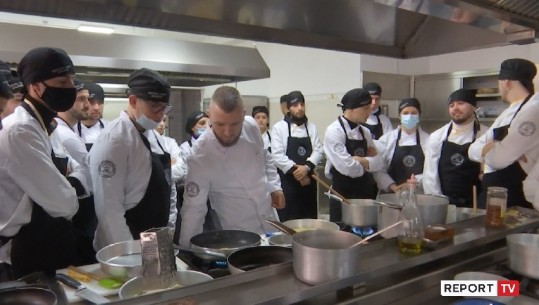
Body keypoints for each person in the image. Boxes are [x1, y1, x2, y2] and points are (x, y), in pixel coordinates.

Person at [0, 47, 91, 278]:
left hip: (50, 240)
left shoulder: (48, 125)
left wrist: (66, 182)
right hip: (23, 251)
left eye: (71, 80)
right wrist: (69, 184)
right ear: (35, 87)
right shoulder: (20, 130)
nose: (69, 88)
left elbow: (83, 172)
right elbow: (64, 204)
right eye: (62, 82)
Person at [179, 86, 284, 247]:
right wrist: (187, 253)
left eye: (235, 124)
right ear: (209, 115)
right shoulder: (200, 155)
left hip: (271, 220)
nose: (227, 132)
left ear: (243, 113)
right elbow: (194, 210)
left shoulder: (251, 126)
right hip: (240, 234)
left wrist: (275, 187)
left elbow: (265, 156)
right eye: (219, 124)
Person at [89, 68, 177, 251]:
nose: (160, 115)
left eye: (164, 108)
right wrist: (130, 255)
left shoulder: (155, 137)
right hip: (125, 243)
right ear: (133, 101)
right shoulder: (113, 141)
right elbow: (109, 210)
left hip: (155, 241)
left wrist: (168, 232)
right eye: (154, 107)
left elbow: (169, 188)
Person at [469, 58, 539, 208]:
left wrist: (492, 149)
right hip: (494, 194)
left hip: (514, 197)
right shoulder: (506, 114)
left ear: (506, 82)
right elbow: (472, 150)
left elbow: (497, 160)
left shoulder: (532, 111)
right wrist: (492, 147)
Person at [324, 88, 383, 222]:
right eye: (365, 108)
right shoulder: (334, 131)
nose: (369, 112)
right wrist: (369, 163)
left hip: (365, 194)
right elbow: (348, 168)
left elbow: (379, 162)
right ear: (350, 109)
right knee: (342, 237)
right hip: (342, 195)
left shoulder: (365, 132)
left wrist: (360, 160)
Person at [423, 89, 488, 207]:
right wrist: (439, 203)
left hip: (476, 205)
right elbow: (430, 176)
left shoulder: (485, 135)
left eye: (461, 103)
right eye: (451, 105)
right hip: (444, 203)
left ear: (474, 107)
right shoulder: (437, 136)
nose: (455, 108)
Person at [272, 90, 323, 221]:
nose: (299, 108)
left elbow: (318, 150)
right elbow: (277, 156)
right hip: (288, 185)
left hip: (308, 185)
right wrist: (298, 173)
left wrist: (306, 168)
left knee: (309, 221)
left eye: (302, 104)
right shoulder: (279, 128)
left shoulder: (311, 127)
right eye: (295, 105)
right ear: (288, 108)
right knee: (289, 223)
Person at [374, 98, 430, 193]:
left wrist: (415, 182)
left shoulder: (428, 140)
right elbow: (378, 169)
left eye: (414, 113)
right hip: (390, 195)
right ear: (399, 115)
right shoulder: (386, 140)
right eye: (405, 113)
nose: (409, 116)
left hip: (419, 195)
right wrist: (393, 186)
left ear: (419, 115)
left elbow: (431, 171)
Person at [77, 82, 106, 151]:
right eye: (92, 102)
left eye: (100, 103)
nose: (97, 107)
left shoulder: (111, 130)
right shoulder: (69, 130)